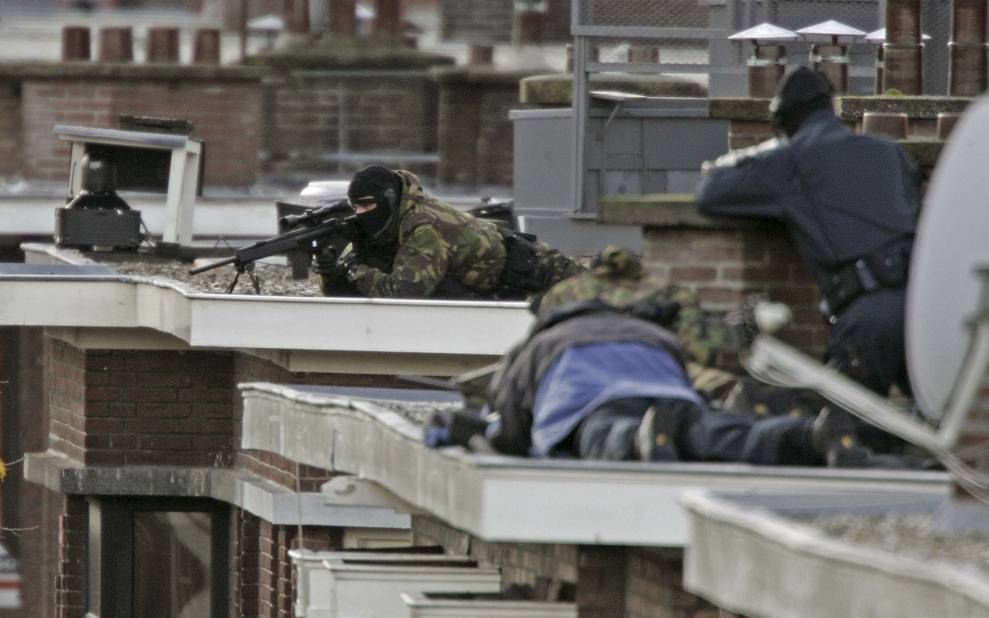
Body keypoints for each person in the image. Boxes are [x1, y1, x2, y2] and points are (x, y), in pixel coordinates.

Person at [694, 66, 920, 461]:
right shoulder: (890, 153)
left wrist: (756, 155)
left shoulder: (794, 159)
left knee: (835, 438)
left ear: (783, 123)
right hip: (924, 309)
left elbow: (711, 193)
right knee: (937, 435)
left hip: (868, 318)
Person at [476, 298, 838, 465]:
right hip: (668, 395)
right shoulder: (649, 331)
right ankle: (805, 436)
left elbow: (509, 415)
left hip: (591, 404)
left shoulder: (540, 343)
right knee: (710, 431)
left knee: (607, 435)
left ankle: (639, 439)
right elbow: (682, 371)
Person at [313, 166, 583, 299]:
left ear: (389, 200)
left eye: (367, 205)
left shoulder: (422, 225)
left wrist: (355, 270)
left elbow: (407, 293)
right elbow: (345, 291)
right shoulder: (380, 228)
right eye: (355, 206)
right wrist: (330, 272)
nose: (360, 213)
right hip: (501, 288)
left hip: (546, 276)